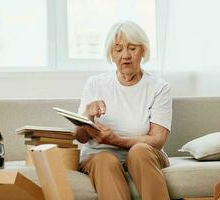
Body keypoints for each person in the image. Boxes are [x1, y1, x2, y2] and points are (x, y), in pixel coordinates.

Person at [73, 20, 172, 200]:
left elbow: (157, 140)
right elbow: (80, 137)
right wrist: (87, 116)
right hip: (99, 157)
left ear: (143, 51)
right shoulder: (95, 84)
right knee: (105, 160)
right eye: (118, 50)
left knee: (139, 151)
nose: (125, 55)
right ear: (111, 54)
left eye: (132, 48)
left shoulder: (159, 87)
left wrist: (117, 140)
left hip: (145, 156)